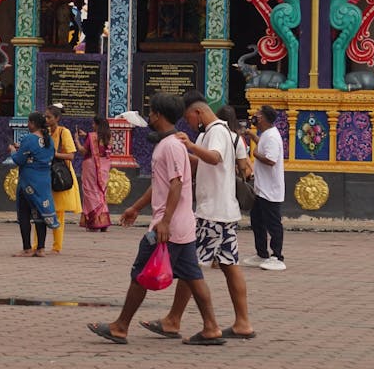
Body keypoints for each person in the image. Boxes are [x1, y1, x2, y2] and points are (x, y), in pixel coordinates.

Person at [88, 92, 225, 346]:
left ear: (158, 115)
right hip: (181, 226)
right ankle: (211, 327)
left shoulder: (171, 146)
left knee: (140, 274)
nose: (148, 116)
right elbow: (161, 184)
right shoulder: (170, 144)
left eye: (151, 112)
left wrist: (164, 221)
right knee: (194, 278)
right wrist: (137, 207)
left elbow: (175, 184)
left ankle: (120, 326)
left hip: (168, 227)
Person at [144, 91, 256, 340]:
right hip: (225, 210)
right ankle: (243, 322)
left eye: (190, 118)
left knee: (190, 268)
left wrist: (191, 145)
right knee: (229, 265)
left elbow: (214, 158)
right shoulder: (225, 131)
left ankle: (175, 320)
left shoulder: (215, 131)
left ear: (198, 112)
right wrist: (187, 155)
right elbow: (205, 162)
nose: (190, 124)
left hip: (212, 212)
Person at [9, 111, 59, 256]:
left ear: (32, 123)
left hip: (28, 181)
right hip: (43, 181)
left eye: (29, 122)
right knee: (40, 214)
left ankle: (27, 248)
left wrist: (13, 151)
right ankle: (41, 248)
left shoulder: (29, 139)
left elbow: (19, 160)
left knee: (24, 214)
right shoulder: (48, 140)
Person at [246, 104, 286, 271]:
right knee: (257, 221)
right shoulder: (266, 135)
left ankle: (277, 256)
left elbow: (271, 160)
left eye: (258, 115)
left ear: (264, 118)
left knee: (273, 223)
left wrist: (253, 154)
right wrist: (251, 135)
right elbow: (262, 144)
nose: (255, 117)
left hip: (270, 190)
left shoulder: (272, 137)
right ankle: (262, 253)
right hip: (261, 189)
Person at [45, 103, 81, 252]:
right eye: (45, 117)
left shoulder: (63, 132)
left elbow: (71, 155)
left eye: (49, 117)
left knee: (58, 211)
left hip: (59, 173)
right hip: (46, 172)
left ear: (57, 118)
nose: (46, 120)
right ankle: (37, 244)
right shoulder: (45, 132)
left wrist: (53, 155)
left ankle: (57, 246)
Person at [78, 115, 112, 232]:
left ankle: (95, 221)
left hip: (92, 166)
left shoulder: (93, 136)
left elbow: (83, 151)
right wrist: (86, 135)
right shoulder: (108, 136)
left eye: (93, 124)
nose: (92, 126)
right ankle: (103, 222)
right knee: (101, 193)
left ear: (97, 125)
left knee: (91, 192)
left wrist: (77, 141)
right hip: (104, 167)